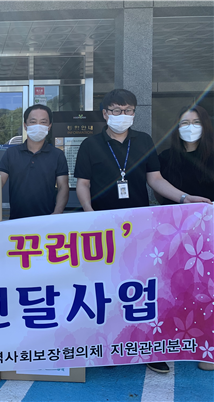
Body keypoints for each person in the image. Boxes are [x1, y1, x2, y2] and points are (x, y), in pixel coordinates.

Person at [74, 88, 211, 375]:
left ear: (134, 113)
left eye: (128, 110)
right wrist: (89, 214)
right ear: (105, 113)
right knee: (104, 287)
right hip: (102, 227)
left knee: (142, 287)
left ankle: (147, 347)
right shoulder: (90, 145)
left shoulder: (144, 141)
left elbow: (155, 179)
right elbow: (83, 184)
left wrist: (185, 198)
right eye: (116, 110)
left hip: (139, 228)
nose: (122, 115)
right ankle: (107, 347)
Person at [156, 105, 214, 372]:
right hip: (175, 234)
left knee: (208, 289)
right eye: (184, 123)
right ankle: (173, 342)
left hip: (209, 235)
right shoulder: (166, 158)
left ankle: (207, 347)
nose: (190, 128)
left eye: (195, 122)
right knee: (176, 288)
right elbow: (159, 192)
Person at [0, 104, 69, 219]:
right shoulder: (11, 153)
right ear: (25, 125)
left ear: (49, 126)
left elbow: (63, 187)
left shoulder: (57, 155)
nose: (38, 126)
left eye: (43, 122)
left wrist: (57, 213)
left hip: (47, 220)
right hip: (17, 221)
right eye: (33, 122)